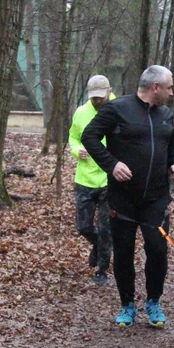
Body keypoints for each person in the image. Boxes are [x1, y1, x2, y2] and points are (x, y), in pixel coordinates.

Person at [82, 65, 174, 328]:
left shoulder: (166, 114)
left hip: (156, 198)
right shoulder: (118, 109)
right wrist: (112, 164)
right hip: (123, 199)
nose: (172, 93)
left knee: (157, 249)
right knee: (124, 252)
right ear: (156, 87)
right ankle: (127, 305)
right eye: (169, 87)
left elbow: (173, 145)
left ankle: (154, 302)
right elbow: (89, 136)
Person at [68, 75, 116, 286]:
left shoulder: (119, 110)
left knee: (106, 228)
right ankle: (97, 246)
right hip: (85, 179)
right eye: (93, 97)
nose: (97, 101)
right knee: (83, 227)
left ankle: (102, 270)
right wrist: (78, 151)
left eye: (100, 97)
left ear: (109, 91)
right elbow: (73, 137)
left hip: (110, 180)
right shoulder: (81, 112)